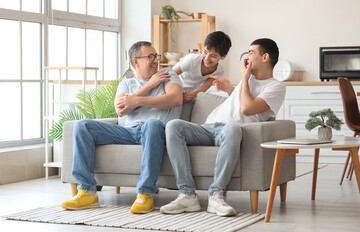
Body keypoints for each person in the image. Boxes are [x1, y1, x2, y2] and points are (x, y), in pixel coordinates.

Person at [160, 38, 286, 217]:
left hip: (230, 131)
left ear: (265, 57)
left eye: (251, 52)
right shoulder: (247, 80)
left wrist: (244, 78)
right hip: (208, 127)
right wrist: (231, 90)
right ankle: (187, 194)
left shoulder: (276, 87)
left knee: (233, 128)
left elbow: (246, 108)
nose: (247, 56)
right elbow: (238, 103)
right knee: (174, 126)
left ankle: (216, 195)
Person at [61, 41, 183, 214]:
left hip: (155, 131)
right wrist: (148, 86)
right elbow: (121, 110)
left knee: (152, 123)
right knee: (83, 126)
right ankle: (87, 192)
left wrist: (136, 100)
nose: (156, 60)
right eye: (150, 56)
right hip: (128, 132)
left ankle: (145, 193)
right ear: (135, 61)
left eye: (156, 55)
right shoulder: (126, 84)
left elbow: (175, 99)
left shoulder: (167, 75)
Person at [172, 31, 231, 102]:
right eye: (205, 52)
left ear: (223, 56)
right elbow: (170, 74)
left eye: (213, 56)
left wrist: (192, 95)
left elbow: (203, 88)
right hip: (174, 87)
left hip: (190, 95)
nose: (207, 58)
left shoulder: (219, 71)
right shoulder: (191, 60)